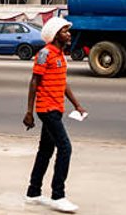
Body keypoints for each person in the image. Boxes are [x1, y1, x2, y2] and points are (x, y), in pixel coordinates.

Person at [23, 18, 85, 213]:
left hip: (56, 108)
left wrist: (77, 104)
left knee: (45, 151)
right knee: (65, 148)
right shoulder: (44, 54)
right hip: (46, 109)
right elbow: (34, 82)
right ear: (55, 34)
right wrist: (29, 112)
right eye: (65, 31)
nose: (69, 34)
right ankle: (58, 195)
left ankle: (33, 192)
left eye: (68, 31)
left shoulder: (60, 55)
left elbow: (63, 83)